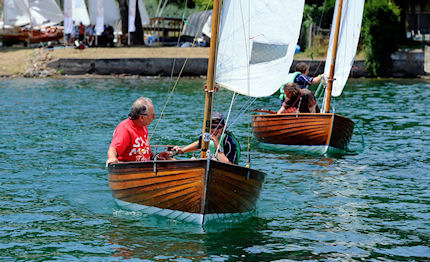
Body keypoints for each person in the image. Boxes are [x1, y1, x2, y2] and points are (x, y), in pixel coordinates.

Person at [173, 112, 240, 165]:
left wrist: (217, 143)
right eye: (212, 127)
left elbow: (229, 165)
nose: (215, 130)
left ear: (224, 127)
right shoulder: (207, 136)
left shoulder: (230, 142)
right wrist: (182, 151)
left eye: (219, 127)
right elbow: (200, 143)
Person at [106, 97, 156, 167]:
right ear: (141, 117)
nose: (154, 117)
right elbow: (113, 148)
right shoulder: (125, 129)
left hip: (144, 168)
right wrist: (112, 158)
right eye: (152, 115)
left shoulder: (143, 126)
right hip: (130, 170)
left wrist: (157, 156)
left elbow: (144, 150)